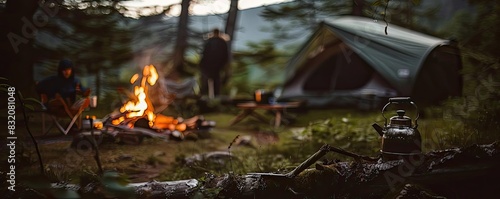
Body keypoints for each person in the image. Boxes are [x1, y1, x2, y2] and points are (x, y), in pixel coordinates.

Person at [199, 28, 229, 97]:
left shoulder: (209, 42)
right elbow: (225, 56)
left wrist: (202, 65)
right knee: (216, 85)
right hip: (217, 67)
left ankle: (205, 98)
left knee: (206, 84)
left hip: (208, 66)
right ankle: (215, 99)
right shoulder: (222, 42)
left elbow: (204, 54)